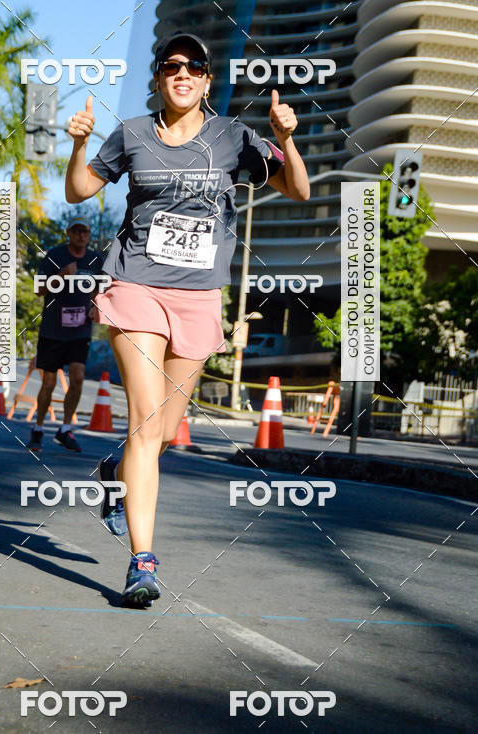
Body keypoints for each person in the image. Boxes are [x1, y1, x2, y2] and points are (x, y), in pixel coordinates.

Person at [65, 30, 310, 607]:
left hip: (200, 298)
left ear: (205, 81)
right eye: (170, 65)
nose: (182, 73)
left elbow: (297, 189)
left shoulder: (234, 138)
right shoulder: (130, 135)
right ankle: (141, 562)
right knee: (148, 428)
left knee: (164, 433)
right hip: (136, 288)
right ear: (158, 78)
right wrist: (77, 147)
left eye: (193, 67)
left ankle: (114, 468)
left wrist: (286, 139)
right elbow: (78, 191)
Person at [27, 217, 103, 453]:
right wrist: (60, 277)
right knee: (48, 383)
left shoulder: (95, 260)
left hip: (80, 330)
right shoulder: (54, 255)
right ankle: (38, 429)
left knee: (78, 377)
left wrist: (96, 306)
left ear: (89, 235)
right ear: (68, 233)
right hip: (52, 331)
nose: (81, 235)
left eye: (85, 231)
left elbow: (101, 291)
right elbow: (39, 289)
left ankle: (65, 429)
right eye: (77, 231)